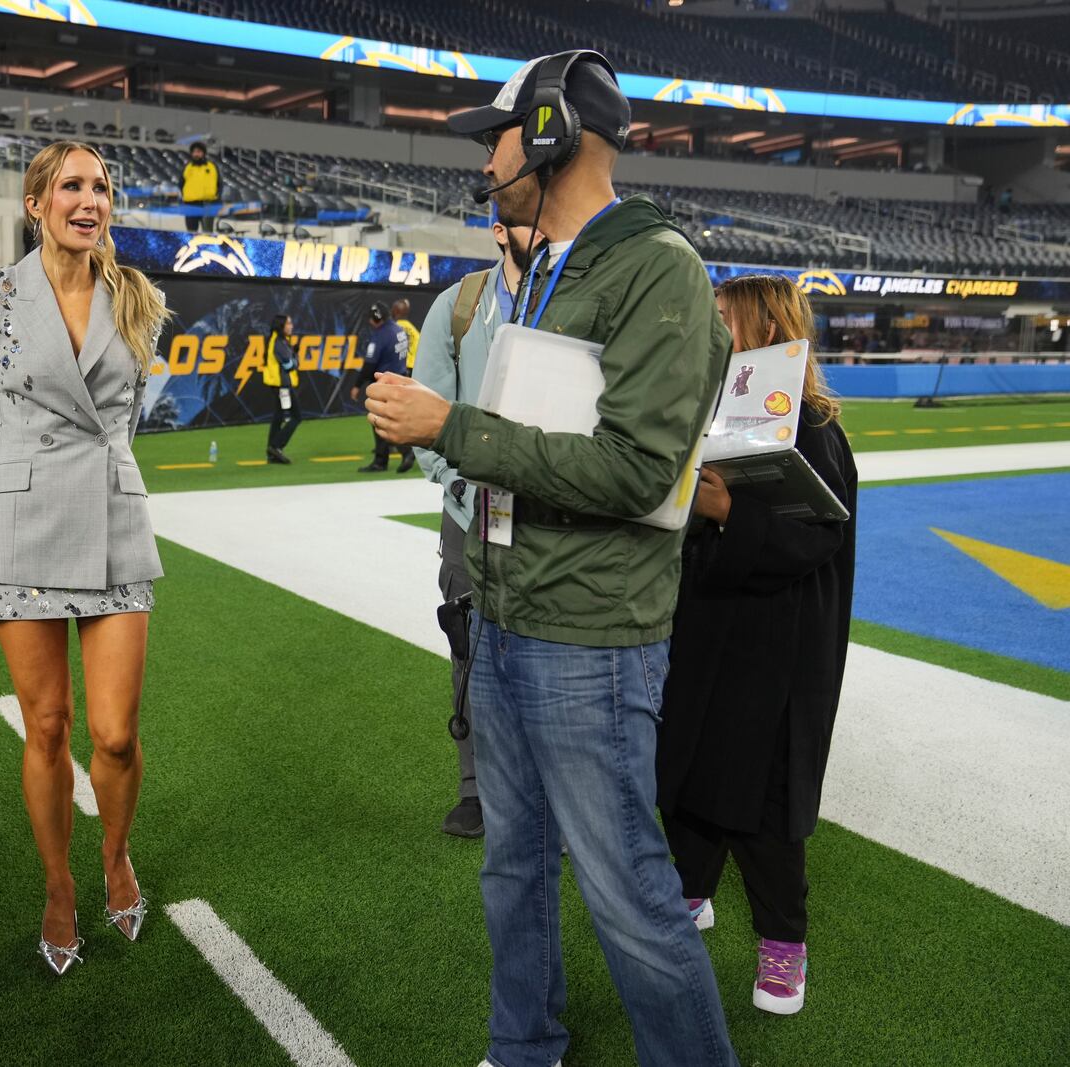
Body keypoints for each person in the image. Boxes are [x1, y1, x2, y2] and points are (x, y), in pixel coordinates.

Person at [364, 50, 739, 1067]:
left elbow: (635, 472)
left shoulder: (655, 264)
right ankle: (523, 1045)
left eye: (495, 134)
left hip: (590, 637)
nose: (485, 159)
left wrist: (453, 426)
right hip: (504, 614)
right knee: (512, 868)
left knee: (627, 893)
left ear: (545, 135)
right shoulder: (542, 268)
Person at [0, 140, 169, 977]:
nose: (90, 199)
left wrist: (105, 475)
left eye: (102, 187)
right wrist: (16, 488)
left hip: (114, 518)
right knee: (48, 727)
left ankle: (115, 856)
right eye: (72, 186)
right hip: (23, 519)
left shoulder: (140, 298)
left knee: (114, 735)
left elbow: (128, 417)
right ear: (34, 202)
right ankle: (57, 886)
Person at [656, 274, 857, 1018]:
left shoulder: (812, 428)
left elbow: (816, 538)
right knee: (689, 767)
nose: (712, 334)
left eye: (722, 321)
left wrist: (729, 509)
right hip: (708, 626)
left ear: (763, 327)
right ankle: (692, 889)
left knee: (765, 800)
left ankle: (784, 943)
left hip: (778, 645)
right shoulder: (712, 411)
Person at [411, 220, 537, 839]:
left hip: (553, 511)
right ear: (497, 230)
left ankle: (547, 798)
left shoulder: (571, 298)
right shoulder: (457, 307)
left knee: (552, 655)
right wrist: (462, 485)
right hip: (471, 510)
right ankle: (476, 790)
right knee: (470, 649)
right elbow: (425, 414)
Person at [352, 303, 413, 473]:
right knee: (391, 421)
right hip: (400, 379)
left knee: (381, 422)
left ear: (375, 319)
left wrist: (357, 385)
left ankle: (400, 454)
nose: (370, 322)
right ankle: (386, 458)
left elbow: (369, 365)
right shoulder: (398, 330)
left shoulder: (380, 336)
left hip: (385, 384)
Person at [262, 313, 301, 464]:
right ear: (281, 326)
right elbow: (290, 366)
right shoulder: (278, 343)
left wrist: (293, 353)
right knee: (297, 416)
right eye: (288, 324)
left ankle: (272, 453)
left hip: (278, 384)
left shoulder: (275, 340)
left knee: (278, 417)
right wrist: (296, 358)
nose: (291, 326)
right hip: (282, 386)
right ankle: (276, 446)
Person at [181, 141, 220, 234]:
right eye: (194, 152)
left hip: (207, 204)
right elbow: (181, 183)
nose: (196, 154)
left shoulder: (212, 167)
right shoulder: (187, 167)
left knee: (207, 232)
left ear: (203, 153)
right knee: (191, 232)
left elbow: (219, 184)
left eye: (198, 151)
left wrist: (216, 198)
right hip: (190, 204)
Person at [392, 298, 420, 373]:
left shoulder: (392, 330)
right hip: (412, 370)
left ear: (395, 311)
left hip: (397, 369)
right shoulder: (415, 332)